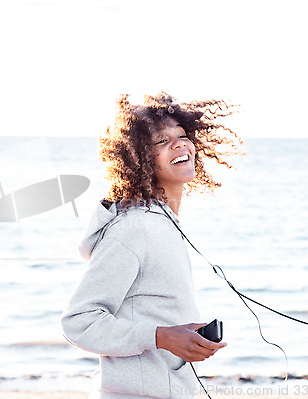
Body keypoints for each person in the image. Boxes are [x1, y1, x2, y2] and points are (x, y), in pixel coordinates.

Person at [60, 92, 243, 399]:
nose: (180, 144)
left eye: (182, 136)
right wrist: (160, 336)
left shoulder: (163, 221)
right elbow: (79, 321)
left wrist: (176, 335)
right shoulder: (136, 227)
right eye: (162, 141)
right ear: (138, 158)